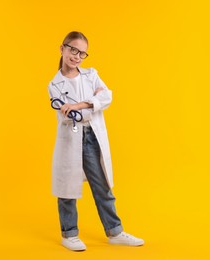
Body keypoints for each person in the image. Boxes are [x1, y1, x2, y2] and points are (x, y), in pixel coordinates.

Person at [47, 31, 144, 251]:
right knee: (67, 188)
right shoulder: (54, 85)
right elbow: (71, 115)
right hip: (71, 138)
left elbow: (106, 96)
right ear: (62, 49)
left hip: (91, 136)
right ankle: (69, 233)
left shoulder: (91, 74)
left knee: (102, 186)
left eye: (82, 53)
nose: (77, 56)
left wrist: (79, 104)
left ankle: (115, 231)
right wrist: (90, 103)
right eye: (73, 50)